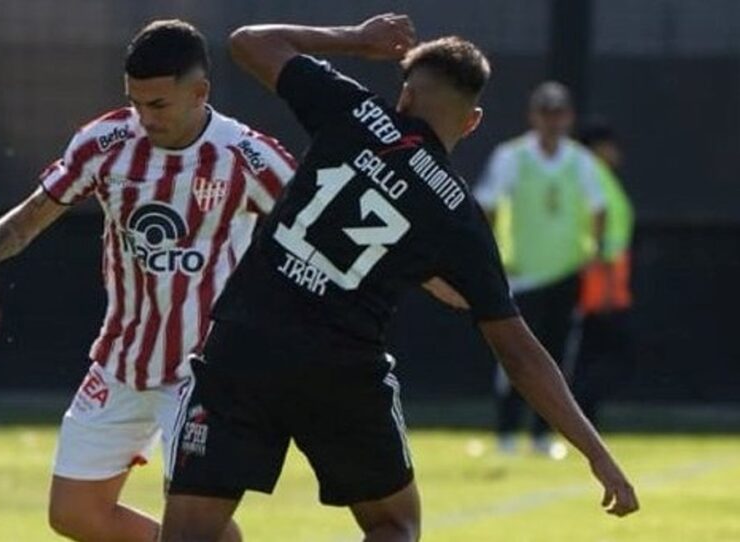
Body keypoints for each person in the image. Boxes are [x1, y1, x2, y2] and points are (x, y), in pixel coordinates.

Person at [160, 14, 638, 541]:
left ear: (405, 96)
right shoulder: (457, 214)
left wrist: (357, 41)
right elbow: (519, 354)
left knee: (190, 535)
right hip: (339, 369)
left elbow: (249, 42)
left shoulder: (356, 111)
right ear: (472, 120)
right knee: (393, 524)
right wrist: (596, 453)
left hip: (246, 343)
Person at [0, 19, 295, 542]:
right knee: (74, 513)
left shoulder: (247, 156)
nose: (144, 118)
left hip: (207, 370)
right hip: (123, 361)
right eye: (135, 103)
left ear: (200, 93)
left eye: (158, 105)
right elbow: (34, 214)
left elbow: (311, 229)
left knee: (193, 523)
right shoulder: (106, 142)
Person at [475, 81, 607, 455]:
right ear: (534, 116)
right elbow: (487, 204)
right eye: (545, 113)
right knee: (514, 358)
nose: (552, 121)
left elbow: (598, 208)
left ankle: (542, 435)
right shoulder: (511, 157)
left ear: (568, 117)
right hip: (521, 275)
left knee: (558, 358)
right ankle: (505, 432)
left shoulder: (580, 160)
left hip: (566, 272)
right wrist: (493, 253)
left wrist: (591, 253)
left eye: (558, 113)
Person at [572, 121, 635, 426]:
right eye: (609, 145)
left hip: (608, 278)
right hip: (599, 281)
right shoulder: (593, 176)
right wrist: (608, 286)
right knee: (590, 354)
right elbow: (603, 237)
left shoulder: (600, 177)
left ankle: (584, 416)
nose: (616, 152)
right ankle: (580, 417)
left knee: (594, 353)